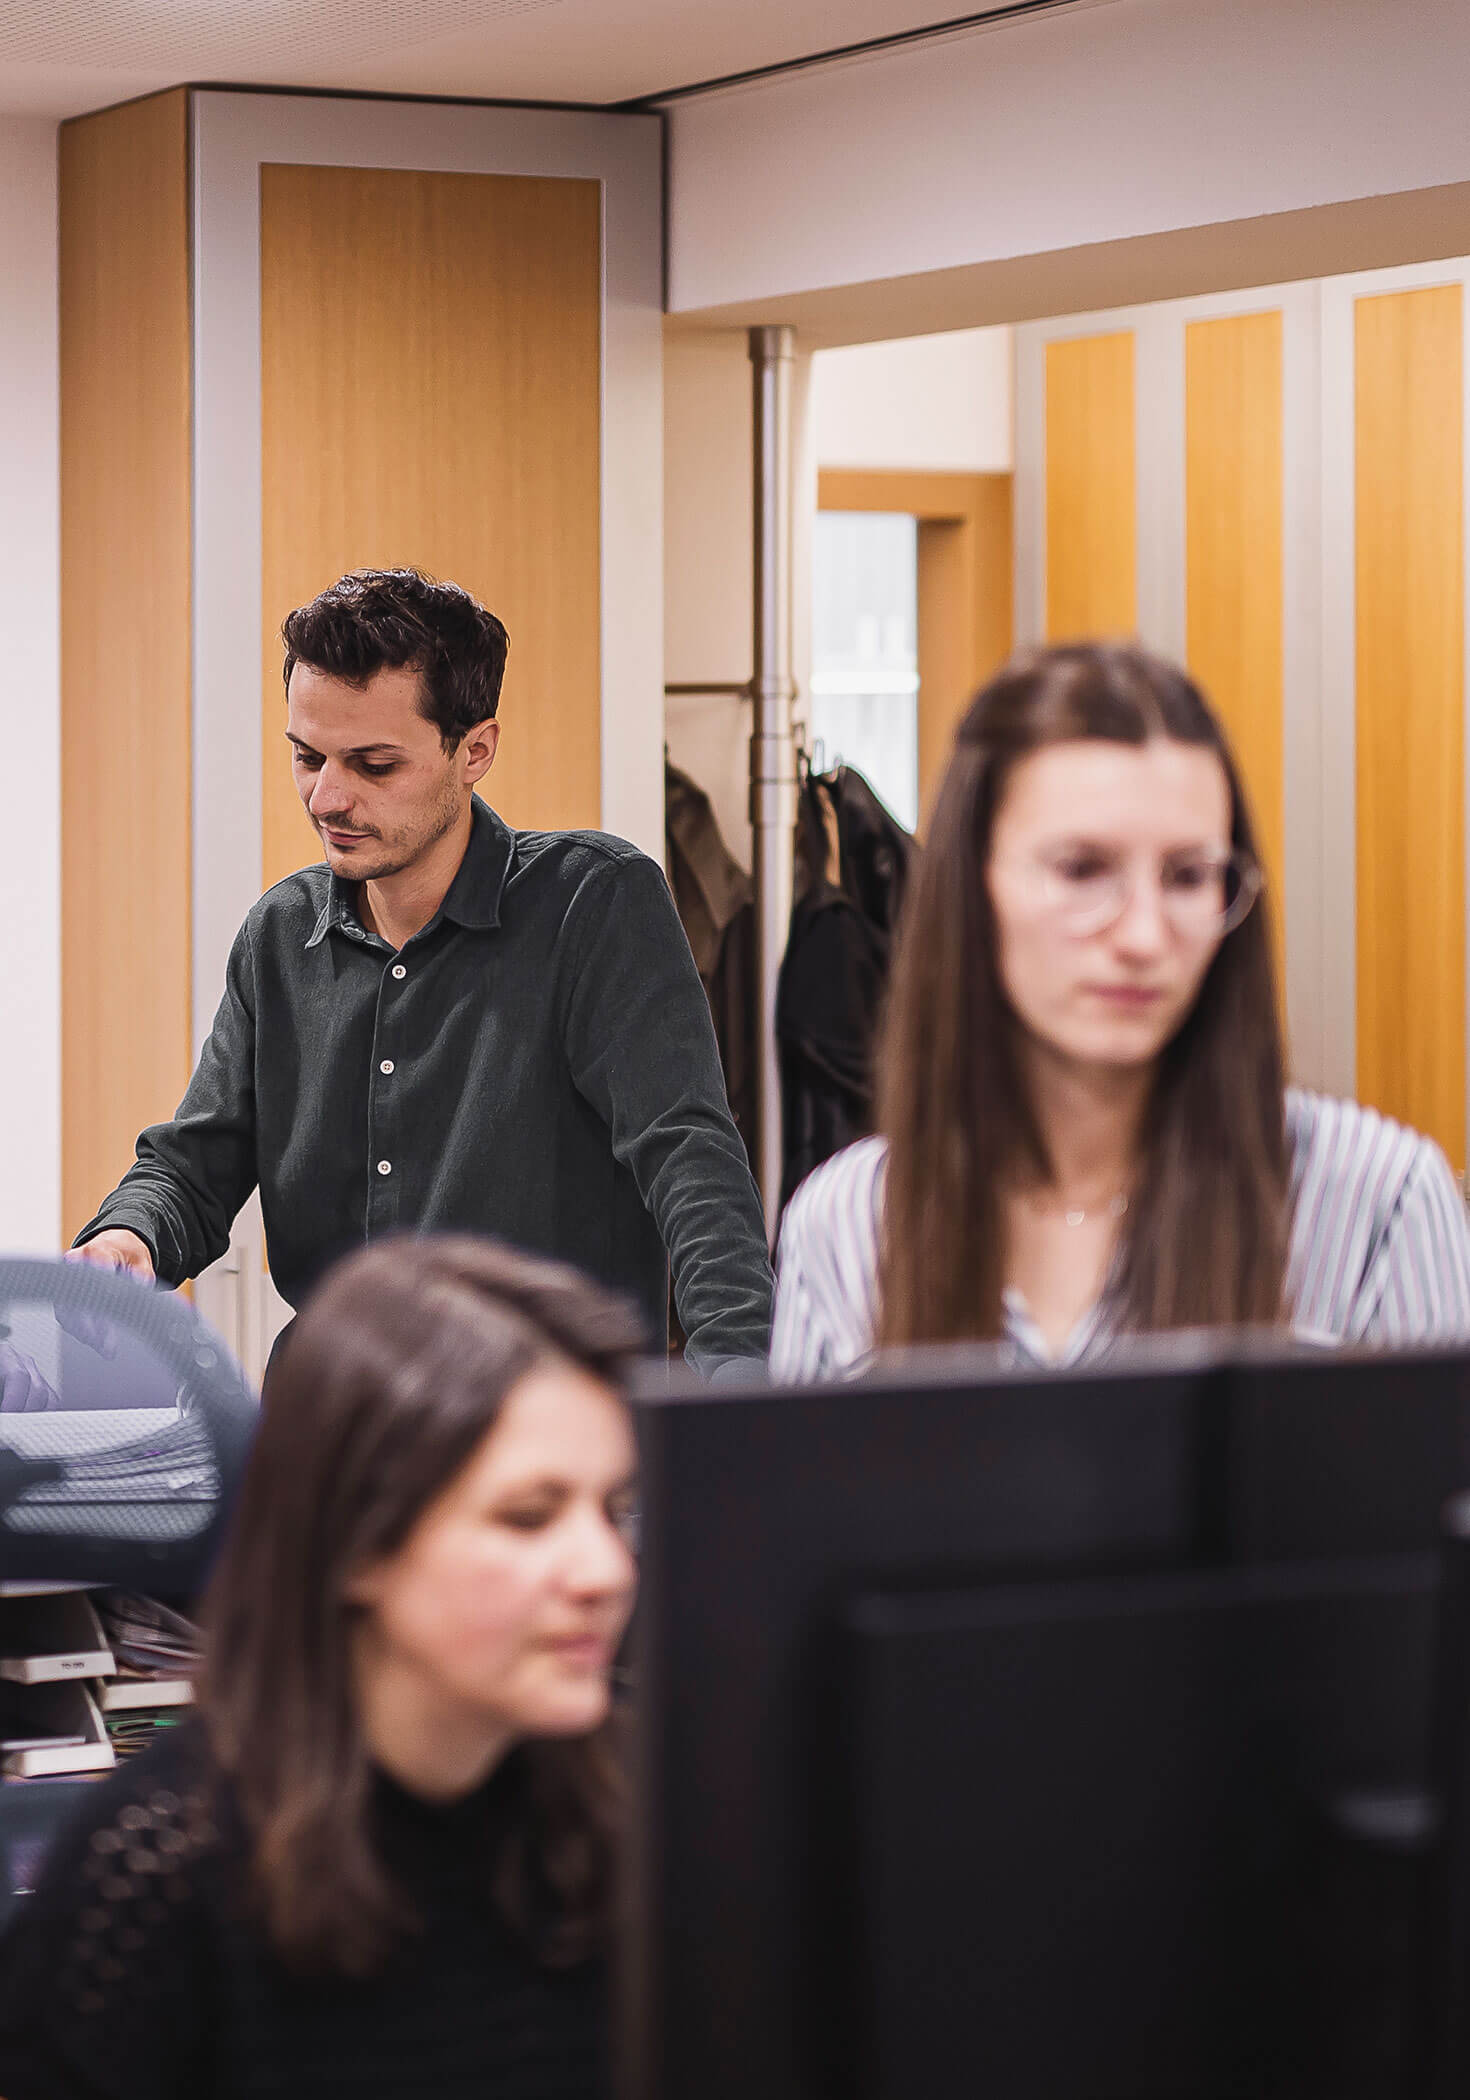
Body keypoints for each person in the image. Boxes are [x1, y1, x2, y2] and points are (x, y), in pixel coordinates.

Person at [70, 567, 773, 1374]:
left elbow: (690, 1159)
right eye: (307, 757)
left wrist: (739, 1386)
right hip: (336, 1412)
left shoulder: (594, 905)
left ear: (474, 750)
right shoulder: (280, 935)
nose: (326, 799)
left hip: (542, 1410)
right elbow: (193, 1167)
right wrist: (126, 1240)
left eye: (373, 764)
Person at [0, 1235, 642, 2098]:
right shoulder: (155, 1877)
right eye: (529, 1517)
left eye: (614, 1511)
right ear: (357, 1542)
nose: (606, 1571)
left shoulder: (632, 1823)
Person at [771, 640, 1470, 1380]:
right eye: (1082, 869)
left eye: (1188, 876)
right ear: (971, 889)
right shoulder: (848, 1226)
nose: (1143, 936)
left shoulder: (1375, 1203)